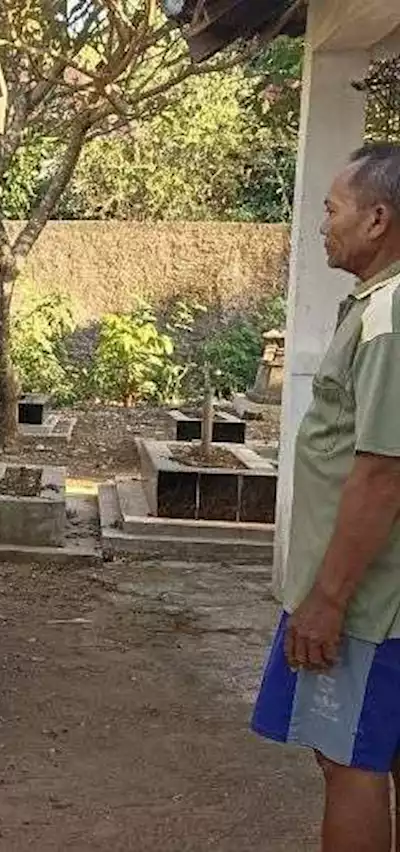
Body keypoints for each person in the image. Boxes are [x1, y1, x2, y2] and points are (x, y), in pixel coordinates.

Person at [251, 142, 400, 852]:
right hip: (380, 600)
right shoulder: (378, 306)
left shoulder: (390, 316)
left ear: (377, 218)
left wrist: (327, 599)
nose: (322, 225)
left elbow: (382, 472)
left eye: (332, 210)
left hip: (371, 604)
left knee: (348, 761)